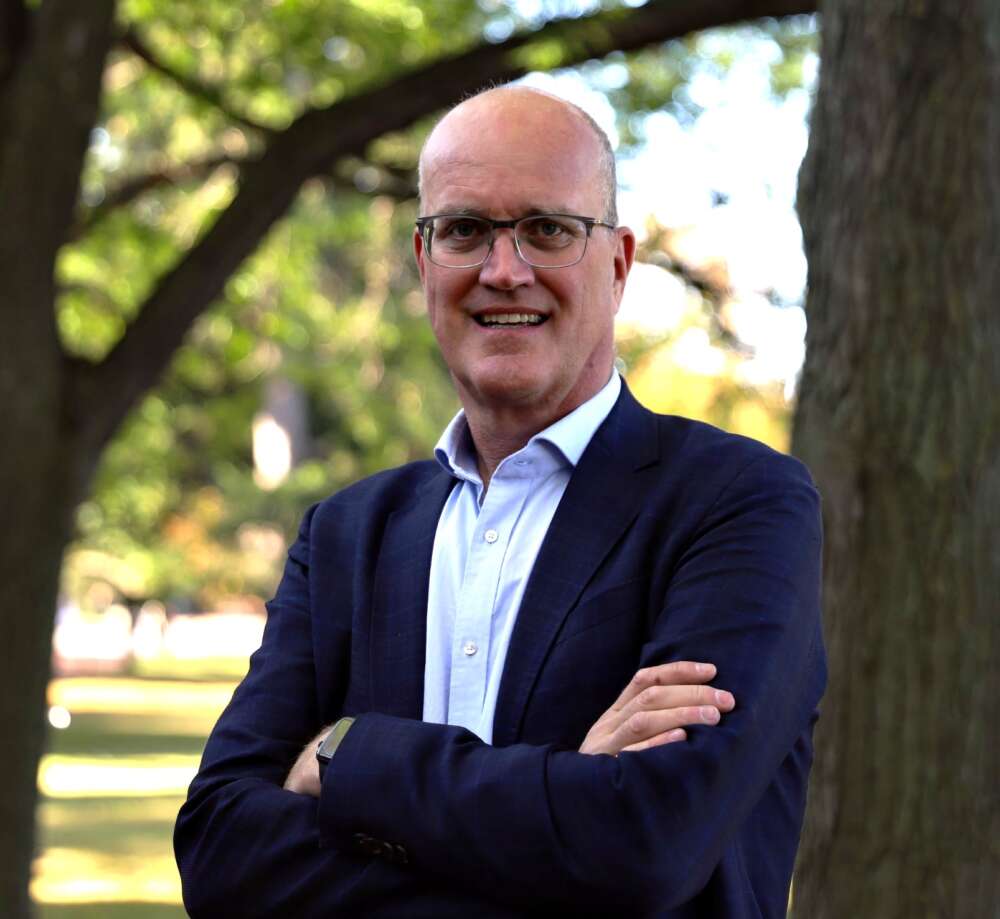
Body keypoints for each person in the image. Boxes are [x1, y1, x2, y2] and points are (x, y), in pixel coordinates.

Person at [174, 86, 825, 918]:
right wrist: (566, 806)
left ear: (618, 263)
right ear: (423, 261)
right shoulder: (345, 535)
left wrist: (348, 754)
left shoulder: (736, 504)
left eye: (548, 229)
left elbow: (648, 844)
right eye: (465, 230)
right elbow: (220, 852)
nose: (504, 268)